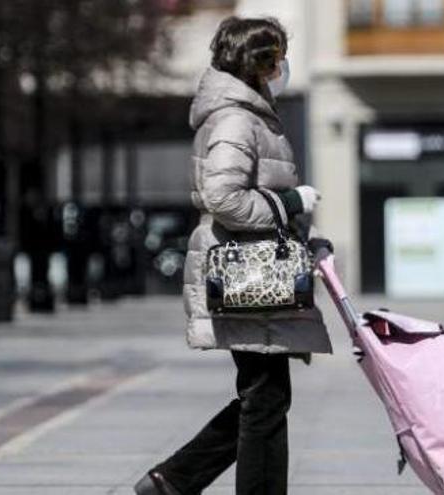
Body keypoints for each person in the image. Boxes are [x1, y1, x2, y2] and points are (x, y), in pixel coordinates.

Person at [134, 16, 333, 495]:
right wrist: (290, 203)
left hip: (259, 265)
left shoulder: (250, 114)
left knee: (262, 396)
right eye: (279, 58)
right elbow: (223, 198)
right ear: (262, 65)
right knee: (265, 397)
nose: (285, 67)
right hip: (247, 271)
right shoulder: (236, 119)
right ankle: (174, 481)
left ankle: (172, 482)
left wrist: (302, 234)